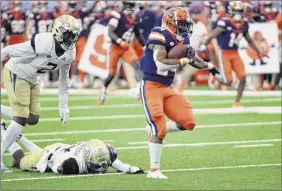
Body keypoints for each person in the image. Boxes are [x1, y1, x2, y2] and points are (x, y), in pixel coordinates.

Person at [140, 7, 221, 179]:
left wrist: (209, 67)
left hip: (168, 87)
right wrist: (182, 60)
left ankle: (154, 128)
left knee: (188, 122)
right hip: (151, 86)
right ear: (170, 23)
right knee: (159, 129)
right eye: (181, 24)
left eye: (186, 24)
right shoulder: (158, 34)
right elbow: (161, 64)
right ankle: (154, 171)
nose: (185, 28)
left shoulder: (182, 38)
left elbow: (193, 58)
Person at [0, 15, 80, 172]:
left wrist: (64, 106)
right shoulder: (44, 42)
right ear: (58, 32)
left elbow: (64, 81)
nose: (71, 38)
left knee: (32, 118)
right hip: (16, 72)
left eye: (73, 35)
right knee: (20, 119)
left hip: (32, 78)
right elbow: (10, 50)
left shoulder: (69, 54)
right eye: (68, 34)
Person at [0, 120, 143, 175]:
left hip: (59, 147)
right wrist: (128, 168)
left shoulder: (94, 153)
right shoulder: (73, 165)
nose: (102, 165)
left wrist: (128, 168)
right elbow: (62, 168)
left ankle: (19, 136)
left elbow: (111, 160)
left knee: (39, 152)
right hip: (51, 156)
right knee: (19, 161)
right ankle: (3, 131)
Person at [201, 1, 268, 107]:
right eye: (236, 11)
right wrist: (204, 45)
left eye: (240, 11)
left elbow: (249, 39)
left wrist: (258, 51)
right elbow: (211, 35)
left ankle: (237, 102)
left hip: (235, 53)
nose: (238, 13)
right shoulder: (225, 22)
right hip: (225, 54)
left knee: (243, 77)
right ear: (230, 11)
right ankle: (214, 75)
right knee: (228, 82)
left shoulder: (244, 23)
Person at [98, 1, 145, 105]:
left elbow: (137, 34)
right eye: (127, 4)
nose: (128, 7)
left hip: (126, 48)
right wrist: (119, 41)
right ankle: (103, 90)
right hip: (115, 47)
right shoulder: (117, 15)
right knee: (111, 74)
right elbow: (110, 31)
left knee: (137, 65)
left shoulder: (136, 17)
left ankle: (139, 91)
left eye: (130, 5)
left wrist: (145, 46)